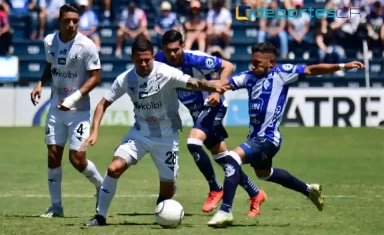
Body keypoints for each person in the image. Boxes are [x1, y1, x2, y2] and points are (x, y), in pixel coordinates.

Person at [207, 42, 366, 227]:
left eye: (258, 62)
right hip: (255, 138)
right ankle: (308, 190)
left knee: (232, 158)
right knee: (264, 174)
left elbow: (311, 69)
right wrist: (217, 91)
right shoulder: (249, 77)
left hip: (267, 139)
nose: (253, 65)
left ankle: (225, 211)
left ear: (271, 62)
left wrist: (342, 66)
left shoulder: (281, 73)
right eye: (252, 61)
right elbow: (225, 84)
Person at [82, 37, 230, 226]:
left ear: (153, 56)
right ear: (132, 58)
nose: (143, 64)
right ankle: (100, 217)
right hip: (139, 134)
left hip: (167, 138)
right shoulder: (126, 79)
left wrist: (213, 85)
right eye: (138, 60)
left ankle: (164, 204)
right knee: (114, 168)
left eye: (147, 59)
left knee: (166, 191)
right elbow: (103, 103)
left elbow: (193, 82)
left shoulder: (166, 72)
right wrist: (95, 131)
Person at [155, 30, 266, 215]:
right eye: (169, 50)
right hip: (196, 112)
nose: (173, 54)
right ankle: (255, 193)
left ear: (182, 46)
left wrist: (217, 92)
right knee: (223, 158)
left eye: (176, 49)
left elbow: (228, 66)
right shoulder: (159, 60)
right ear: (163, 49)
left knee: (193, 143)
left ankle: (215, 188)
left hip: (213, 105)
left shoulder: (196, 59)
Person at [30, 3, 104, 218]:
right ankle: (56, 207)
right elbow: (50, 65)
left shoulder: (87, 45)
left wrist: (74, 98)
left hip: (79, 110)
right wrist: (40, 83)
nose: (71, 24)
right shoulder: (49, 41)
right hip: (55, 108)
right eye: (67, 20)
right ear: (59, 21)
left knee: (77, 159)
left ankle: (102, 186)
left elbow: (96, 76)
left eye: (75, 21)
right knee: (53, 156)